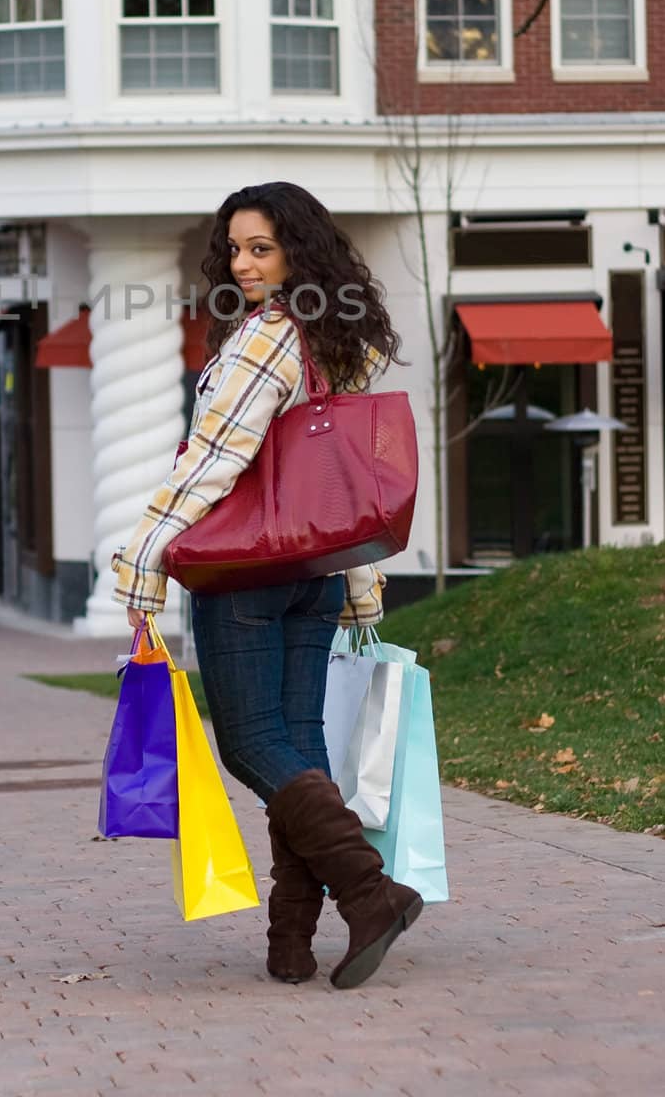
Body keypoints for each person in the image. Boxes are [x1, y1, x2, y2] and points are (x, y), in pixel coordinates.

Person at [112, 181, 423, 990]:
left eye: (262, 249)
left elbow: (212, 462)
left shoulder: (264, 338)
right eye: (237, 249)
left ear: (298, 253)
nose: (244, 264)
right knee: (298, 749)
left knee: (251, 746)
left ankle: (369, 891)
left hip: (245, 571)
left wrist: (144, 552)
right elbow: (338, 488)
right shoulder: (331, 338)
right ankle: (292, 944)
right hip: (311, 574)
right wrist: (357, 578)